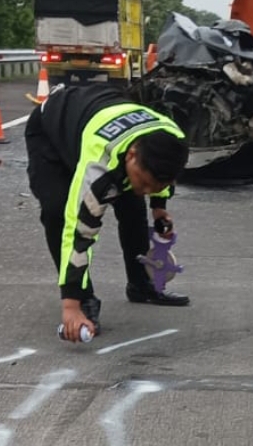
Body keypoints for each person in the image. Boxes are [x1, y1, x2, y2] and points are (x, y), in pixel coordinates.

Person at [25, 84, 191, 343]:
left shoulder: (172, 137)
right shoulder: (99, 163)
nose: (146, 189)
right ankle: (84, 297)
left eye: (153, 187)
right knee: (58, 212)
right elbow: (78, 231)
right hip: (51, 132)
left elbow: (163, 177)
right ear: (132, 155)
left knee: (132, 203)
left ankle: (140, 284)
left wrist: (159, 207)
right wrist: (71, 306)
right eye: (144, 181)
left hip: (96, 115)